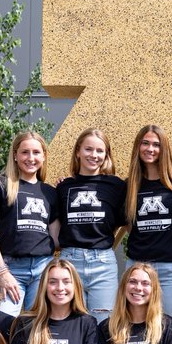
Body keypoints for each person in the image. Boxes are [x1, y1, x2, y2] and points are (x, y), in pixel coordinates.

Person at [0, 131, 59, 317]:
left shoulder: (50, 192)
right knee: (1, 324)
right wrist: (2, 272)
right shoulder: (0, 184)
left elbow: (55, 239)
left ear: (44, 156)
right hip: (10, 267)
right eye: (25, 152)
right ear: (15, 155)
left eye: (36, 152)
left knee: (36, 328)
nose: (31, 158)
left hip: (43, 269)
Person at [125, 124, 172, 317]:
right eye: (145, 143)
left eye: (156, 145)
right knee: (134, 326)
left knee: (169, 326)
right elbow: (126, 223)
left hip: (169, 269)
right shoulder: (129, 186)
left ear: (164, 149)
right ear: (137, 147)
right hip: (135, 266)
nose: (150, 149)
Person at [56, 127, 127, 322]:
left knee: (103, 324)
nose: (93, 155)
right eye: (88, 149)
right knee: (70, 323)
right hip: (69, 262)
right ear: (78, 151)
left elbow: (129, 221)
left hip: (103, 264)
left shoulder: (117, 186)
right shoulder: (63, 187)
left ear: (106, 155)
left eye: (99, 151)